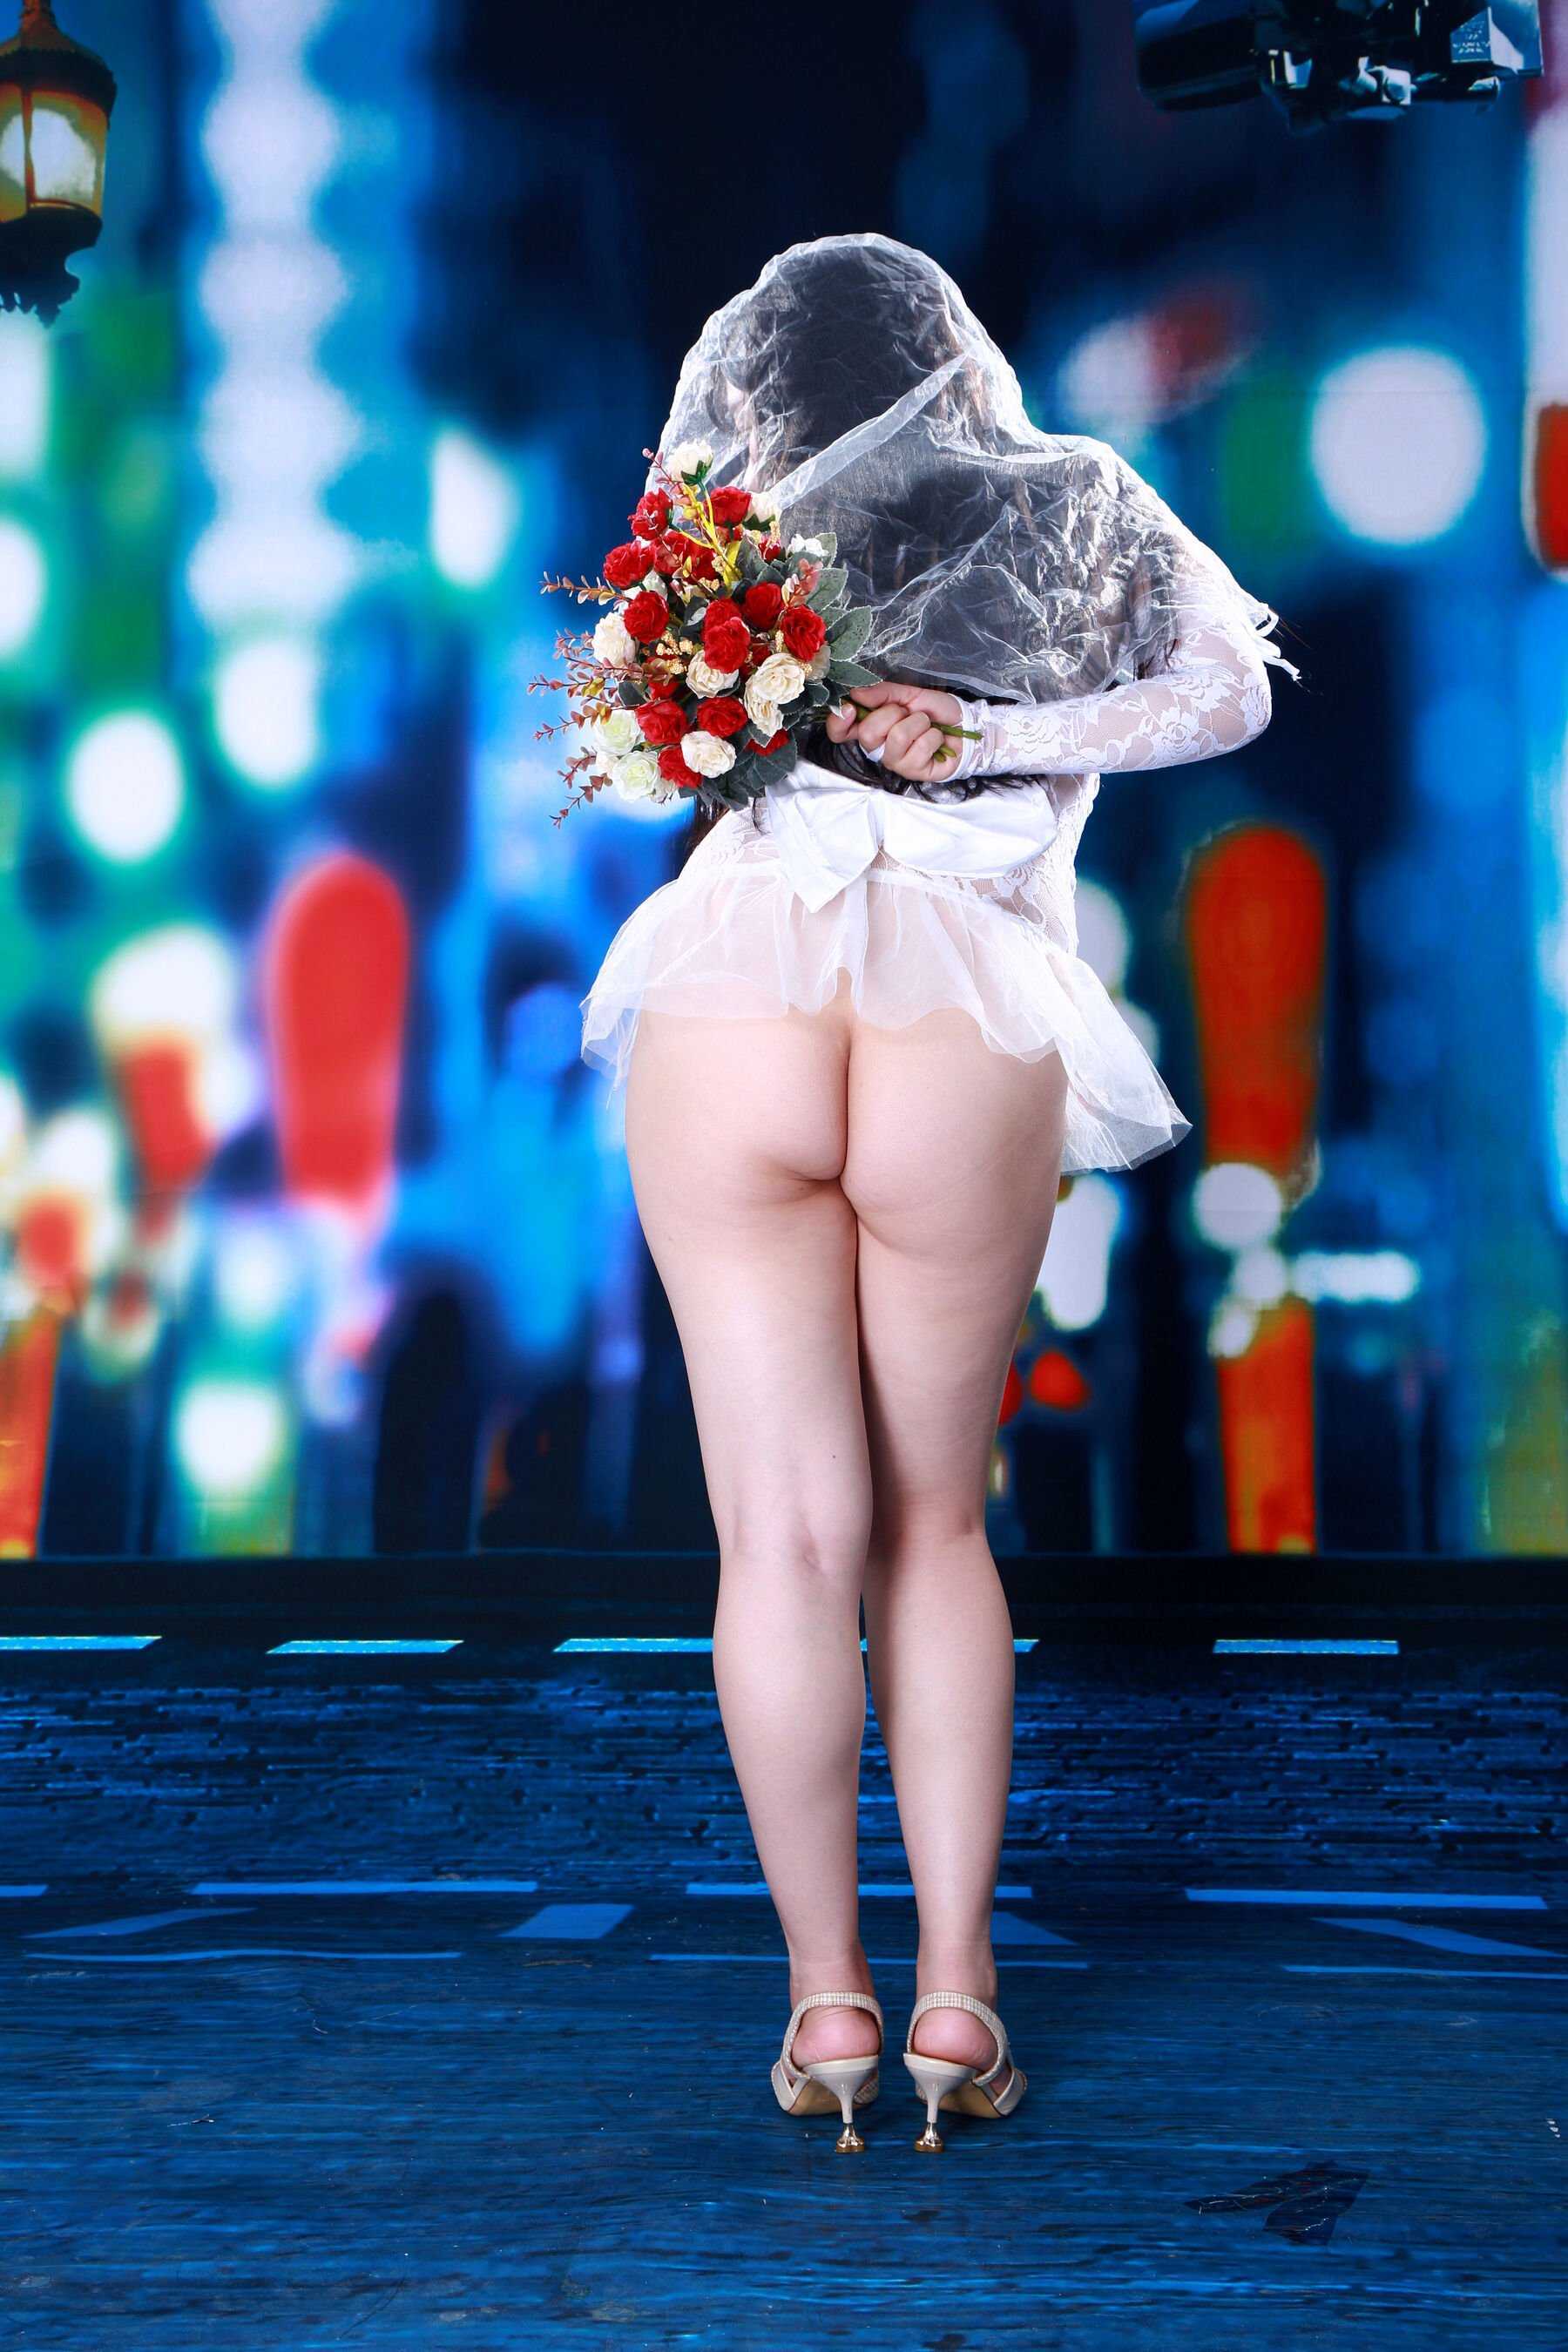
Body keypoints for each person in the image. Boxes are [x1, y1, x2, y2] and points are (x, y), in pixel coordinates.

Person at [578, 234, 1297, 2152]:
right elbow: (1229, 690)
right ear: (961, 361)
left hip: (733, 986)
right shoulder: (1078, 499)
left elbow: (631, 758)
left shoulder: (728, 526)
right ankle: (958, 2004)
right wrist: (992, 737)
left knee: (781, 1544)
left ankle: (826, 2007)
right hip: (961, 1005)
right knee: (931, 1529)